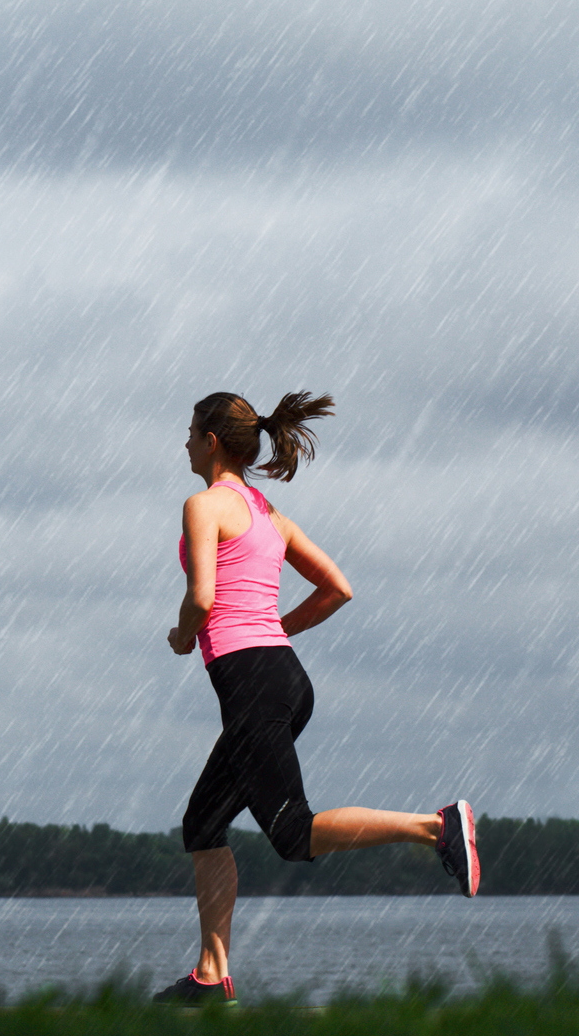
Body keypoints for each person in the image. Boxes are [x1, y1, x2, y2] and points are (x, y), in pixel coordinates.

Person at [151, 391, 479, 1008]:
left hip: (252, 683)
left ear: (213, 441)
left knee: (292, 832)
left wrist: (182, 635)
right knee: (203, 823)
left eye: (191, 431)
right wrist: (277, 631)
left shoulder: (203, 506)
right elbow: (338, 588)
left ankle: (436, 827)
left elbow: (200, 599)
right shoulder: (270, 515)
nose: (186, 442)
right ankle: (210, 976)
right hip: (283, 678)